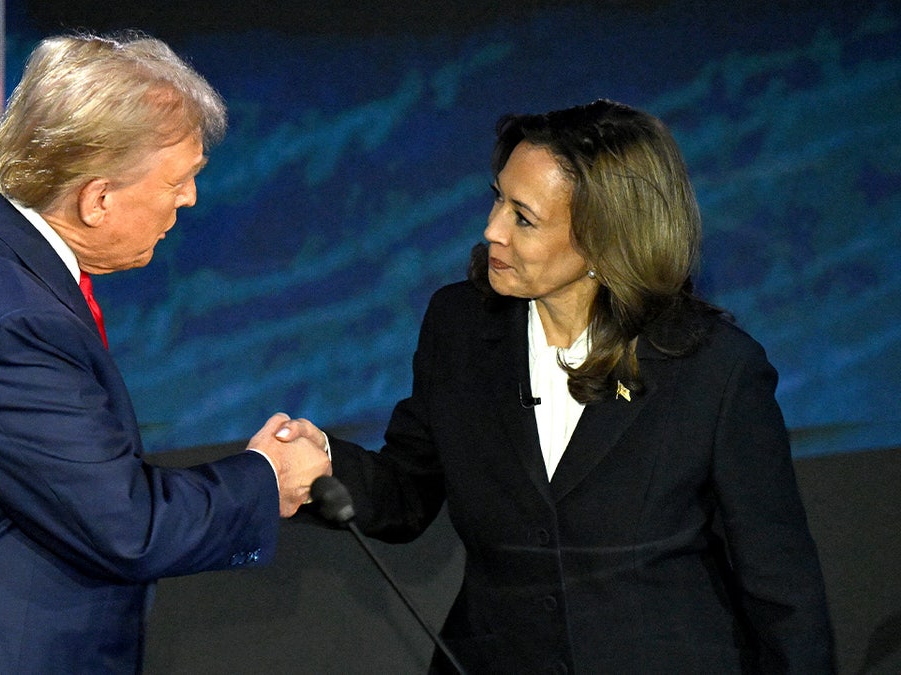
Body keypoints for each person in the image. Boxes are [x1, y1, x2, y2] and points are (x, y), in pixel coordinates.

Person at [0, 32, 330, 673]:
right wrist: (266, 479)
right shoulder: (11, 320)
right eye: (180, 181)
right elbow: (127, 527)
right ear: (97, 198)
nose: (188, 200)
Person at [277, 100, 834, 673]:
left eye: (523, 216)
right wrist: (321, 466)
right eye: (497, 197)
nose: (491, 228)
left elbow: (781, 586)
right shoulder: (461, 327)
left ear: (603, 237)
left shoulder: (714, 368)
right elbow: (406, 493)